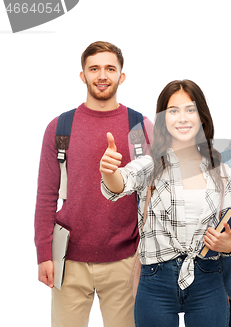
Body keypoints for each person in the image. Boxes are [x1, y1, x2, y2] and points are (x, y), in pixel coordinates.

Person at [100, 79, 231, 327]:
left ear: (202, 117)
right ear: (163, 119)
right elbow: (120, 183)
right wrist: (109, 171)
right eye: (173, 111)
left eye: (190, 109)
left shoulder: (223, 173)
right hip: (155, 279)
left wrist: (227, 244)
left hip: (207, 278)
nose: (182, 118)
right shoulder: (149, 165)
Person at [34, 41, 151, 327]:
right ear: (82, 75)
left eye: (110, 69)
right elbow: (46, 195)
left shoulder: (140, 126)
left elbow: (153, 193)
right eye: (94, 68)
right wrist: (42, 254)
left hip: (125, 259)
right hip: (69, 260)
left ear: (121, 76)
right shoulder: (60, 128)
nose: (102, 76)